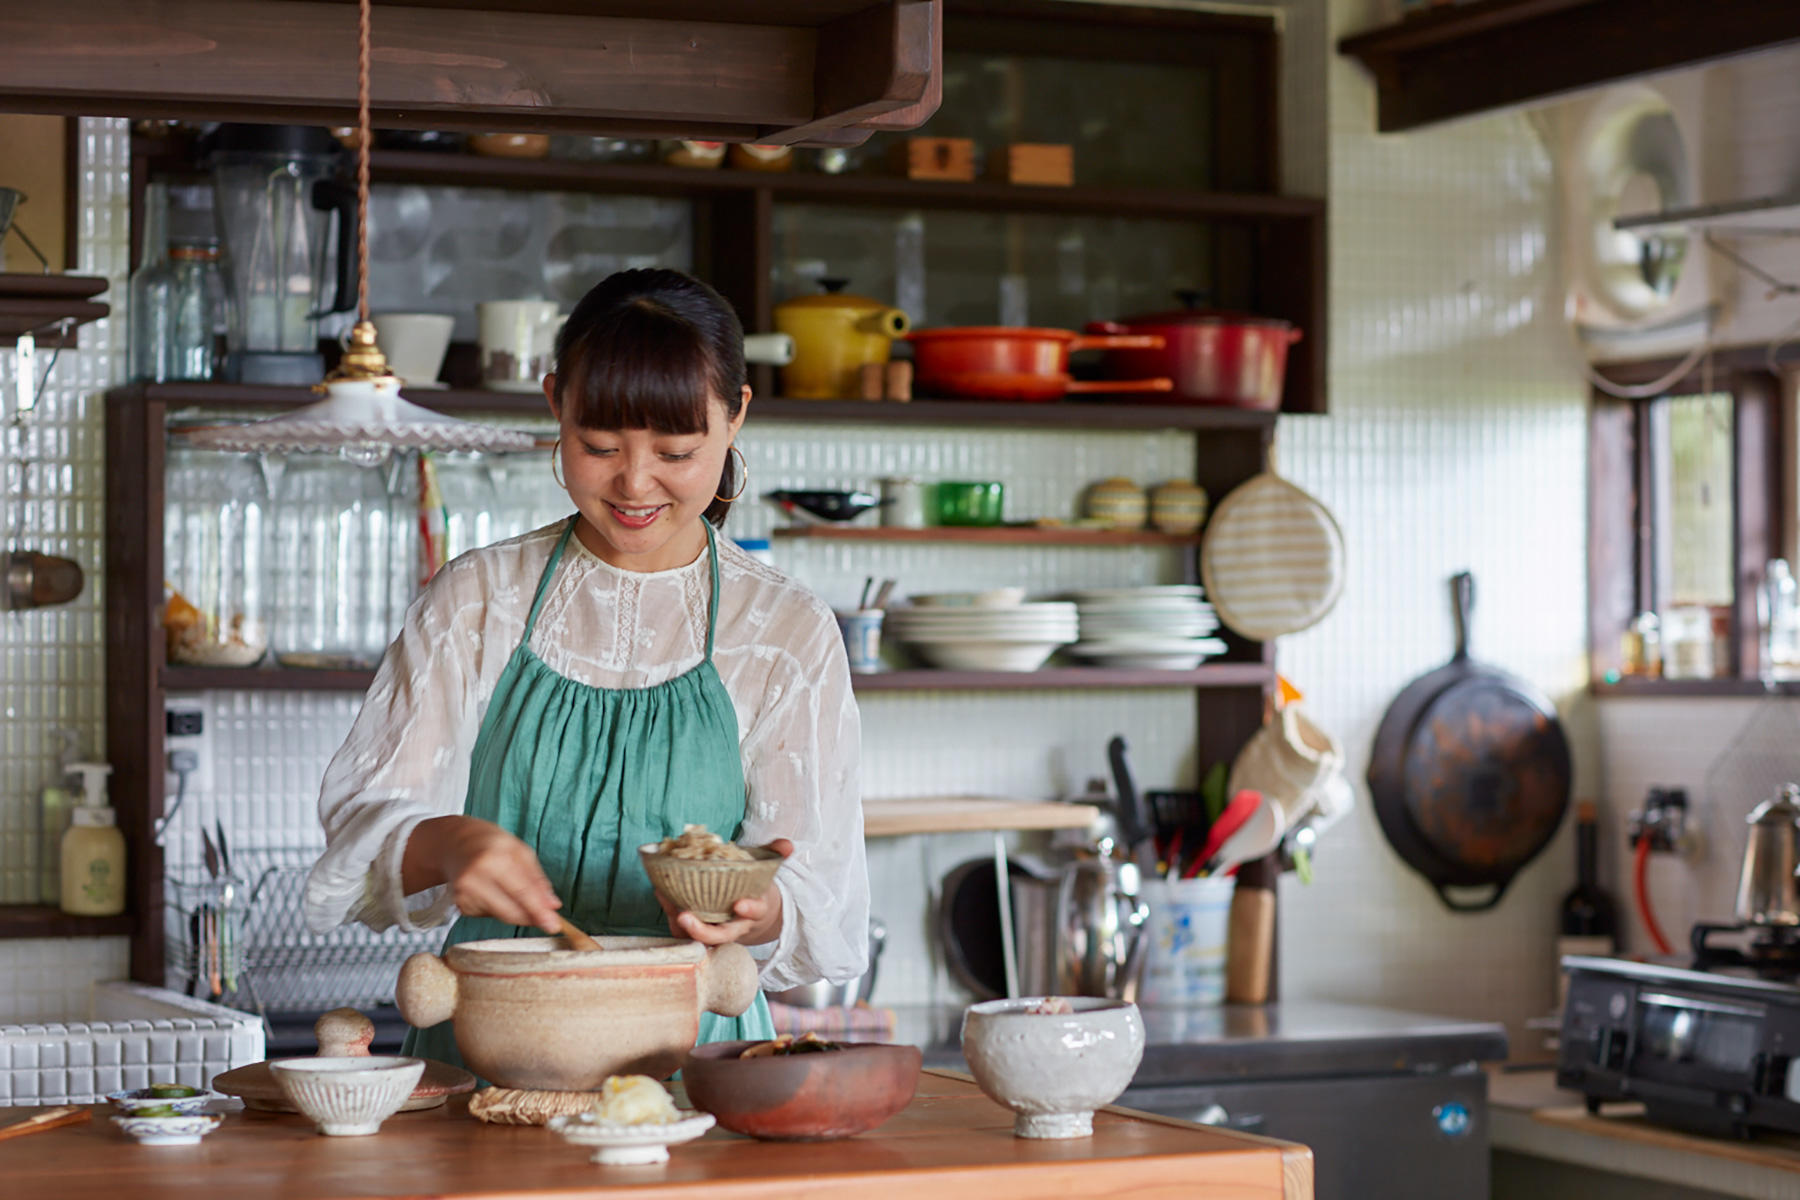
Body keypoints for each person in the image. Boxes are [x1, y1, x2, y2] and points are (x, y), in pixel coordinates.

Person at [303, 268, 869, 1066]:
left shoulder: (783, 629)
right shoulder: (479, 598)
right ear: (553, 404)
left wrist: (761, 907)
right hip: (493, 1035)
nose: (635, 483)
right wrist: (452, 844)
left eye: (676, 451)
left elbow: (824, 898)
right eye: (598, 446)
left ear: (736, 417)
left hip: (695, 1054)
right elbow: (361, 824)